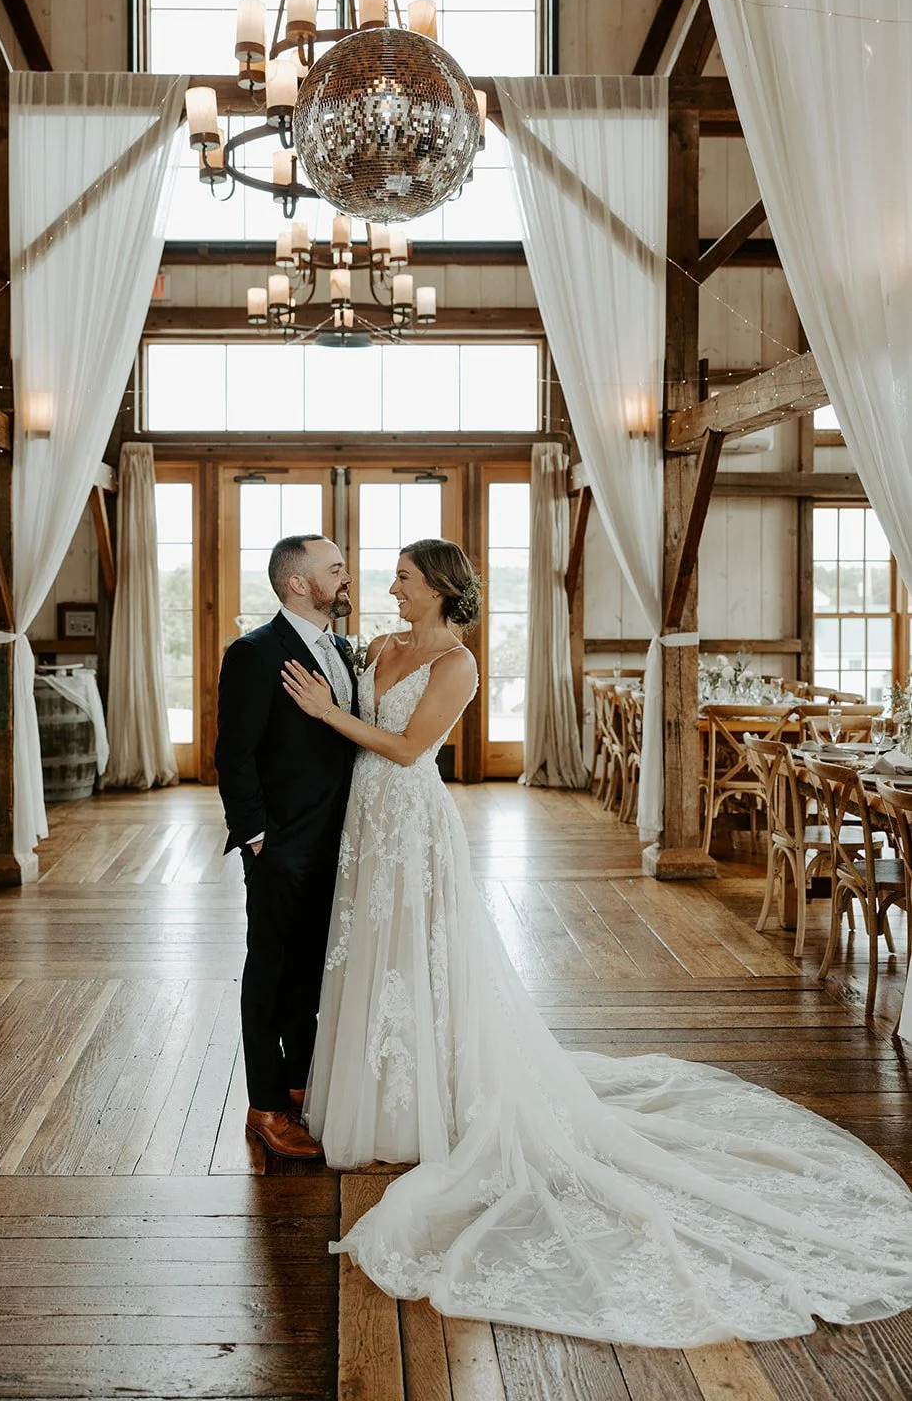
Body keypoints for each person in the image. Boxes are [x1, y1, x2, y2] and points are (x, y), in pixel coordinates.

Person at [281, 537, 912, 1347]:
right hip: (365, 823)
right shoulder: (378, 645)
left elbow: (408, 750)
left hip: (412, 821)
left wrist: (326, 714)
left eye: (402, 578)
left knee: (422, 959)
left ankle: (426, 1107)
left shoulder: (459, 665)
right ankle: (370, 1096)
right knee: (369, 955)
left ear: (437, 588)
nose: (389, 588)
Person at [215, 534, 357, 1160]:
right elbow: (233, 753)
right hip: (280, 845)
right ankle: (266, 1105)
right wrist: (257, 837)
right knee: (270, 971)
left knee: (310, 969)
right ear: (298, 583)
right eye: (335, 568)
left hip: (338, 840)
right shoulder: (254, 653)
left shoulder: (341, 648)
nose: (347, 576)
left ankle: (299, 1083)